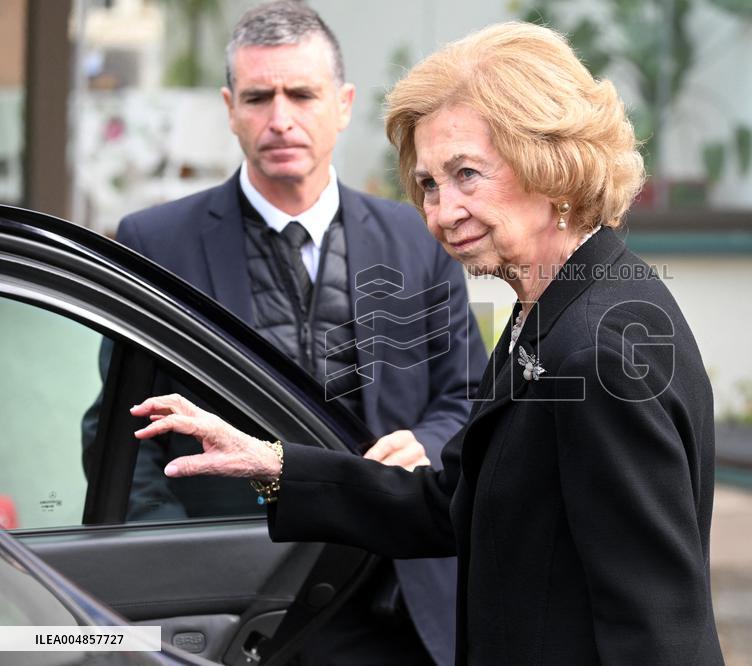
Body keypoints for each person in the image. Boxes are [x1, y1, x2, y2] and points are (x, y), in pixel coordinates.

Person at [133, 21, 724, 665]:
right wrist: (273, 466)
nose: (441, 213)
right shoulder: (550, 311)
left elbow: (660, 633)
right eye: (429, 185)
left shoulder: (597, 347)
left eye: (468, 174)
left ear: (551, 163)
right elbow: (450, 503)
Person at [116, 2, 486, 664]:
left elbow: (466, 397)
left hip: (400, 600)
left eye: (302, 94)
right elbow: (123, 430)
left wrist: (425, 446)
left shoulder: (418, 235)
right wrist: (178, 571)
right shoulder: (155, 242)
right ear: (230, 108)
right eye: (258, 97)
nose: (280, 118)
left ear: (343, 104)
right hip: (242, 609)